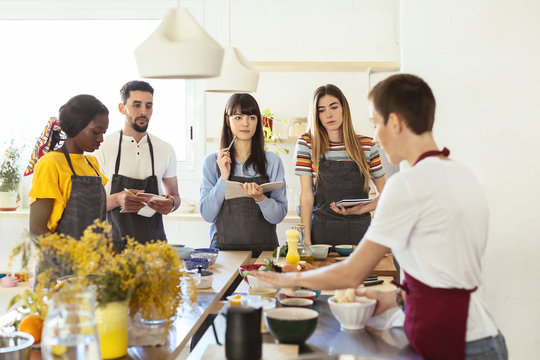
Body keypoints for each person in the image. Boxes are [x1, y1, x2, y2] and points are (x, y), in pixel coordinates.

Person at [254, 74, 507, 360]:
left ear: (396, 123)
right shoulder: (463, 175)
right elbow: (445, 275)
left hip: (450, 343)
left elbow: (352, 273)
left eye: (376, 123)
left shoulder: (406, 185)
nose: (374, 136)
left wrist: (289, 280)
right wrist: (393, 297)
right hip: (484, 338)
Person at [294, 84, 385, 246]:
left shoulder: (367, 145)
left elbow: (386, 194)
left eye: (333, 107)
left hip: (360, 234)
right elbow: (307, 196)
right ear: (316, 115)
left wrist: (363, 209)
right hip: (321, 234)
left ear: (344, 109)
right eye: (321, 110)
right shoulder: (307, 143)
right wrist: (306, 239)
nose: (328, 114)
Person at [94, 80, 180, 252]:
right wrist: (118, 199)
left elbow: (176, 197)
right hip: (113, 250)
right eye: (136, 105)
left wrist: (170, 204)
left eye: (149, 106)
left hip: (154, 250)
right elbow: (90, 205)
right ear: (121, 108)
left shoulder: (165, 149)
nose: (143, 112)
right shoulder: (102, 148)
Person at [199, 93, 287, 257]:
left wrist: (261, 198)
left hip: (264, 255)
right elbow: (207, 215)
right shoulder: (212, 162)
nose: (245, 123)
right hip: (224, 254)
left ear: (258, 122)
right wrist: (223, 176)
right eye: (238, 117)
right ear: (228, 120)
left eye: (251, 117)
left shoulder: (272, 161)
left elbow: (278, 216)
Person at [29, 94, 109, 239]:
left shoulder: (92, 163)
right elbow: (36, 229)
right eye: (96, 132)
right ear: (77, 126)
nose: (101, 139)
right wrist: (69, 255)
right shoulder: (50, 163)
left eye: (103, 132)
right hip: (62, 259)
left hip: (93, 259)